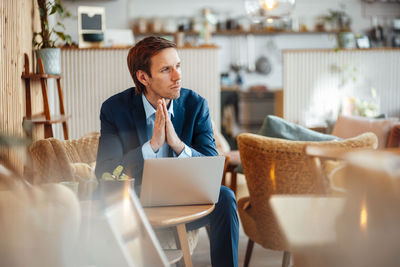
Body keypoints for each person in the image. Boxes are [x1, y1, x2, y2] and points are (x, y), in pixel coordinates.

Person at [95, 36, 239, 267]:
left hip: (184, 199)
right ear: (143, 77)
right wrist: (150, 147)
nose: (177, 76)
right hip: (137, 202)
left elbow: (212, 163)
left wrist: (178, 145)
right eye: (166, 69)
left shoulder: (195, 105)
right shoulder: (114, 110)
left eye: (178, 66)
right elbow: (106, 170)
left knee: (225, 198)